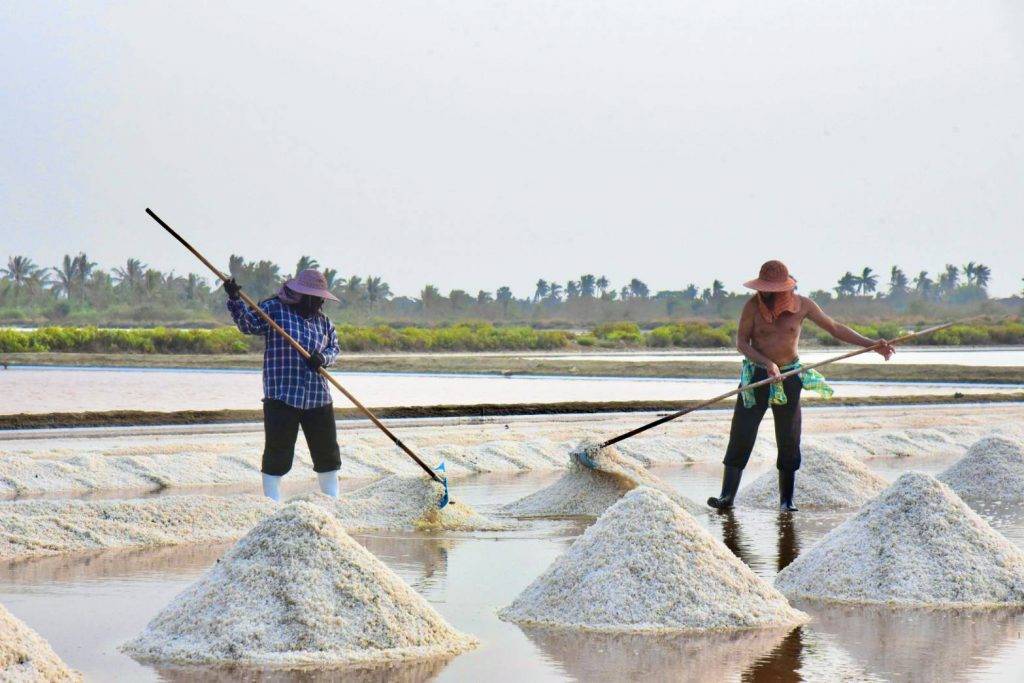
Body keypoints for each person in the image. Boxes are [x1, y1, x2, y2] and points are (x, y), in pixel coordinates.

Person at [707, 260, 895, 512]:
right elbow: (742, 343)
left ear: (786, 289)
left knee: (789, 436)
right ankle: (727, 496)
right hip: (757, 376)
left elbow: (835, 328)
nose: (766, 294)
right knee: (742, 432)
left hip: (790, 375)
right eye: (763, 289)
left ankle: (786, 500)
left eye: (772, 290)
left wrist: (871, 344)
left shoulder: (804, 305)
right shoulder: (752, 306)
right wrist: (767, 364)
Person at [224, 269, 342, 502]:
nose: (319, 303)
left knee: (327, 454)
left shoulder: (324, 322)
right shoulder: (274, 310)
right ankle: (272, 503)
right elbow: (247, 324)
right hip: (282, 396)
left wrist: (322, 358)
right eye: (315, 298)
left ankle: (332, 500)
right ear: (302, 295)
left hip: (318, 397)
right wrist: (235, 298)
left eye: (321, 299)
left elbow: (334, 350)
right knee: (278, 454)